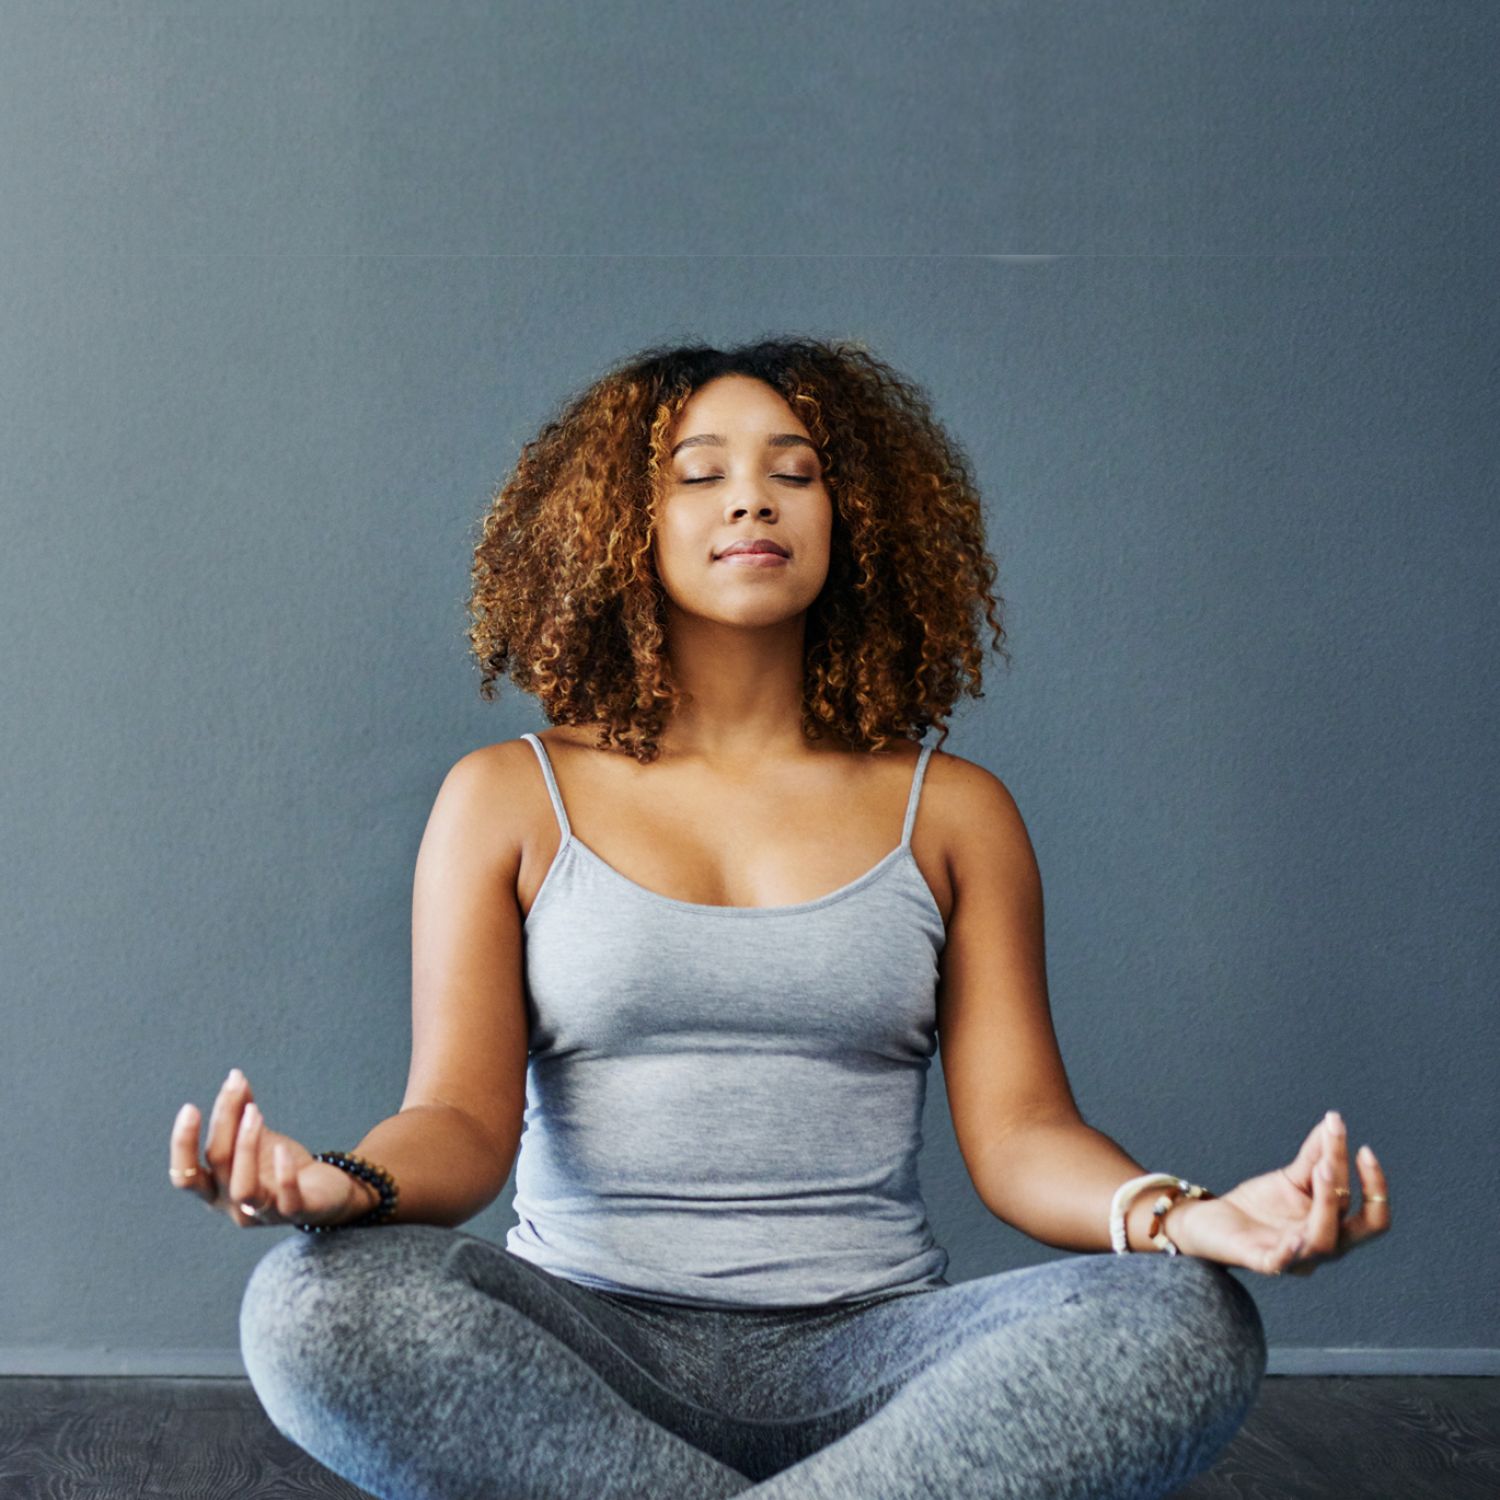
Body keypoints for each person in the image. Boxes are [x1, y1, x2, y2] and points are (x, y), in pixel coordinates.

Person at [169, 337, 1390, 1500]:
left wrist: (1186, 1218)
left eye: (793, 473)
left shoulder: (953, 812)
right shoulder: (506, 797)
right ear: (615, 532)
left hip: (878, 1359)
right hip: (583, 1353)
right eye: (698, 475)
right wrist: (343, 1184)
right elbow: (461, 1121)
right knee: (308, 1308)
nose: (751, 501)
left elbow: (1022, 1136)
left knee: (1188, 1321)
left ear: (853, 521)